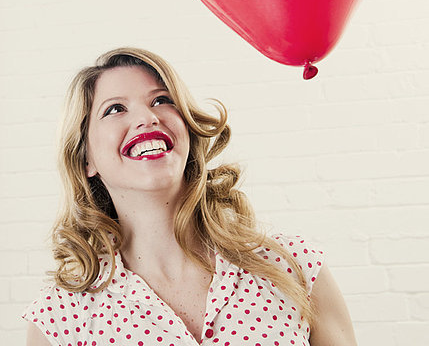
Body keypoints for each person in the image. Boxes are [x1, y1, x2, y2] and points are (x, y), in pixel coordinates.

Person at [23, 46, 357, 346]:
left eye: (161, 100)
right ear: (86, 159)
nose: (147, 117)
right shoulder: (61, 316)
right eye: (115, 109)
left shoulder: (292, 265)